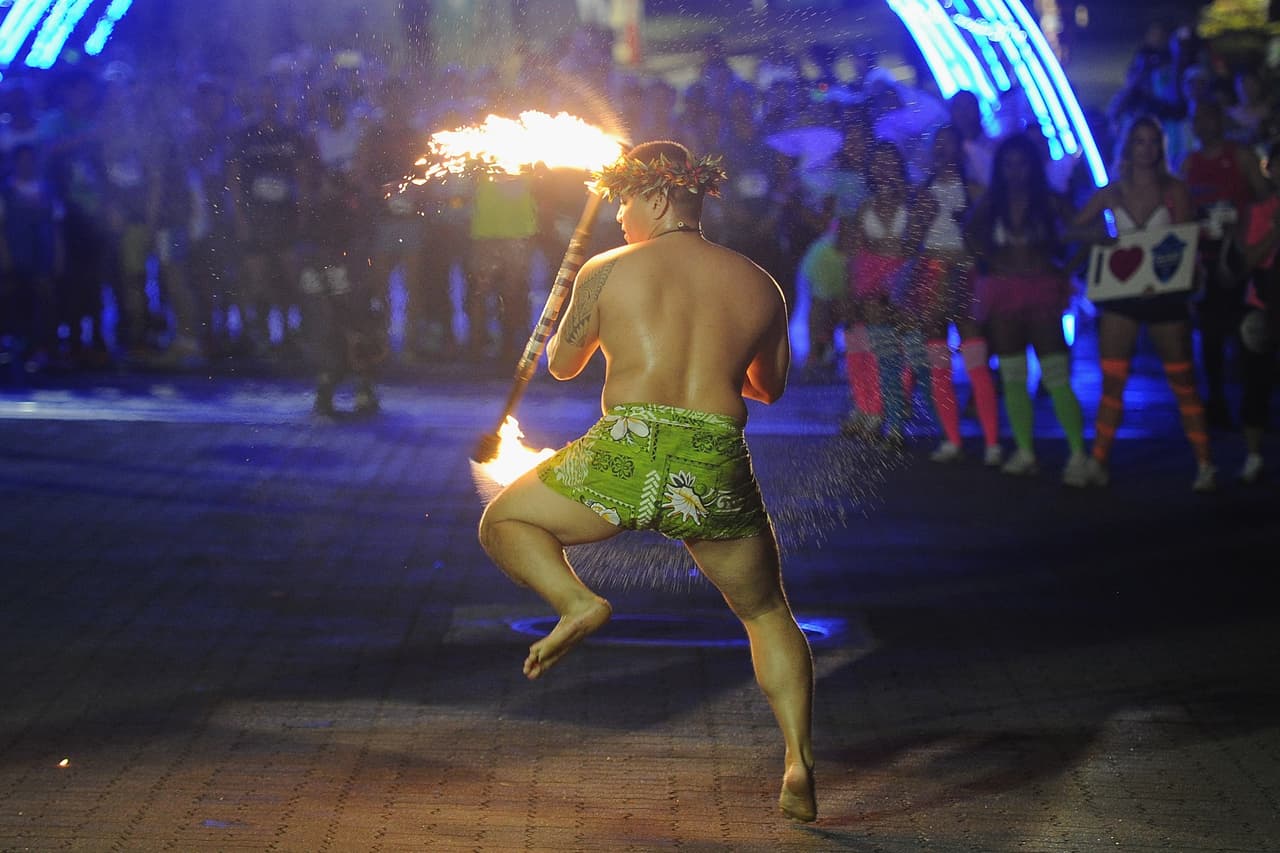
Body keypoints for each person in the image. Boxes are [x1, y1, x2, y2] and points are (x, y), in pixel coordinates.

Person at [477, 141, 816, 823]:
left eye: (625, 201)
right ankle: (798, 761)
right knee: (765, 611)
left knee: (505, 521)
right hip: (712, 456)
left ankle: (576, 602)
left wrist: (559, 324)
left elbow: (563, 366)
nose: (618, 216)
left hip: (627, 450)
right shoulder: (760, 283)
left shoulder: (605, 269)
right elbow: (769, 387)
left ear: (658, 198)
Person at [1070, 115, 1217, 491]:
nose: (1146, 149)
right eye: (1140, 141)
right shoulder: (1111, 192)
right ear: (1128, 146)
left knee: (1182, 379)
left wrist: (1177, 279)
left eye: (1153, 141)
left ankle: (1205, 463)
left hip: (1164, 295)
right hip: (1121, 294)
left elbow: (1185, 243)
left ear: (1160, 148)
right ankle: (1099, 460)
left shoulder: (1174, 191)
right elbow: (1075, 227)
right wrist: (1099, 236)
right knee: (1113, 381)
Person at [965, 133, 1088, 482]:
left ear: (1033, 166)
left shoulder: (1049, 200)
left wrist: (1064, 269)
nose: (1015, 171)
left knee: (1056, 374)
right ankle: (1025, 450)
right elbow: (969, 233)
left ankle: (1079, 454)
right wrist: (989, 262)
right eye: (1008, 164)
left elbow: (1087, 232)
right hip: (1002, 289)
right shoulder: (992, 202)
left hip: (1041, 289)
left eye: (1022, 164)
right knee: (1013, 374)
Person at [1235, 139, 1280, 483]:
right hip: (1263, 305)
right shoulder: (1261, 210)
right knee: (1256, 383)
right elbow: (1248, 260)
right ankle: (1253, 455)